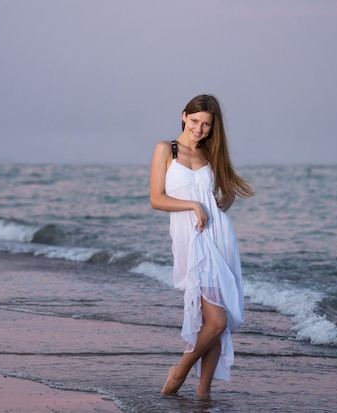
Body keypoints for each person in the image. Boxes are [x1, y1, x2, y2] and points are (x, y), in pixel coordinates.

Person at [149, 94, 253, 397]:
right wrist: (193, 204)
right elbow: (157, 199)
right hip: (191, 241)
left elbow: (228, 192)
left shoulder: (211, 154)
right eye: (195, 121)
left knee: (215, 320)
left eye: (206, 124)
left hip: (218, 238)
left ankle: (203, 393)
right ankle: (179, 372)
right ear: (184, 116)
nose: (199, 128)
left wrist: (224, 201)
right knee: (217, 322)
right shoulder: (165, 149)